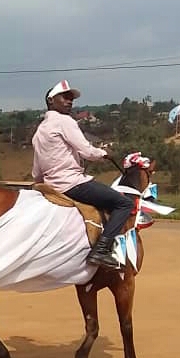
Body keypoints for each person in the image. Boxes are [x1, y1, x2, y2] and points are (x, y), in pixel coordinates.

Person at [32, 80, 133, 269]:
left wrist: (39, 185)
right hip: (72, 184)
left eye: (71, 98)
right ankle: (101, 250)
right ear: (51, 100)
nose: (69, 101)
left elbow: (37, 169)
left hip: (50, 185)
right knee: (124, 203)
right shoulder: (65, 121)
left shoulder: (39, 131)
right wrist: (103, 154)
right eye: (65, 97)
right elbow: (86, 151)